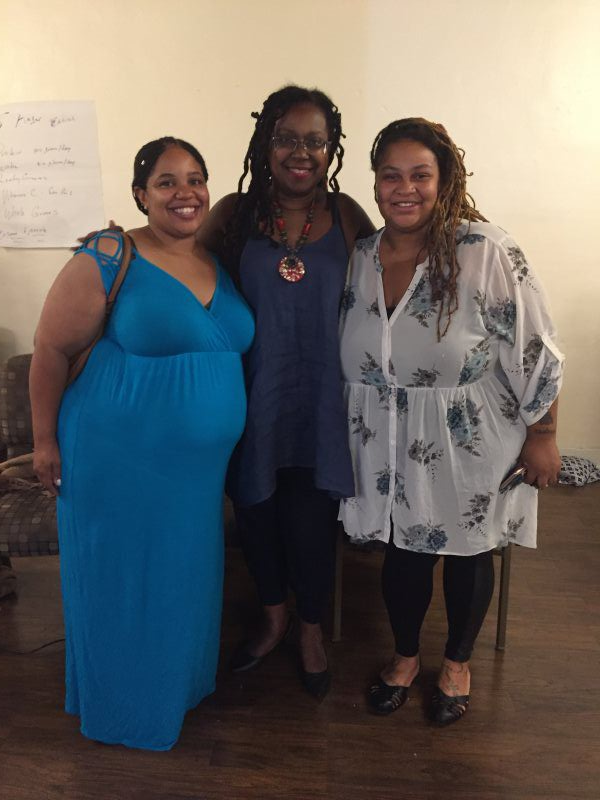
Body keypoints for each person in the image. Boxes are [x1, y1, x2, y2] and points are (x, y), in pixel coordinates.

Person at [29, 137, 254, 750]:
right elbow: (50, 349)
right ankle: (124, 709)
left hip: (193, 477)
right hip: (116, 457)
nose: (186, 192)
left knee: (181, 579)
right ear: (140, 194)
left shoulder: (214, 257)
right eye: (167, 181)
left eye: (196, 178)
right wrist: (45, 441)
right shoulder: (110, 253)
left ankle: (173, 691)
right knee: (122, 582)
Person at [338, 118, 563, 724]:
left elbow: (535, 345)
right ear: (376, 183)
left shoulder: (482, 249)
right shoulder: (359, 256)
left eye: (420, 175)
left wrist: (543, 436)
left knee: (468, 552)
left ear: (444, 180)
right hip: (386, 440)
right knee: (403, 554)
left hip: (468, 436)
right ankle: (407, 657)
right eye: (391, 176)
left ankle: (457, 662)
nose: (403, 188)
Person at [201, 85, 374, 698]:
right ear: (264, 144)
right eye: (287, 138)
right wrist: (122, 250)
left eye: (315, 141)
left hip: (325, 397)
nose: (301, 152)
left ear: (330, 150)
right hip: (250, 397)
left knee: (311, 518)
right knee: (256, 511)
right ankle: (271, 615)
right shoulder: (233, 214)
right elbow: (179, 270)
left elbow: (394, 277)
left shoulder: (348, 214)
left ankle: (309, 627)